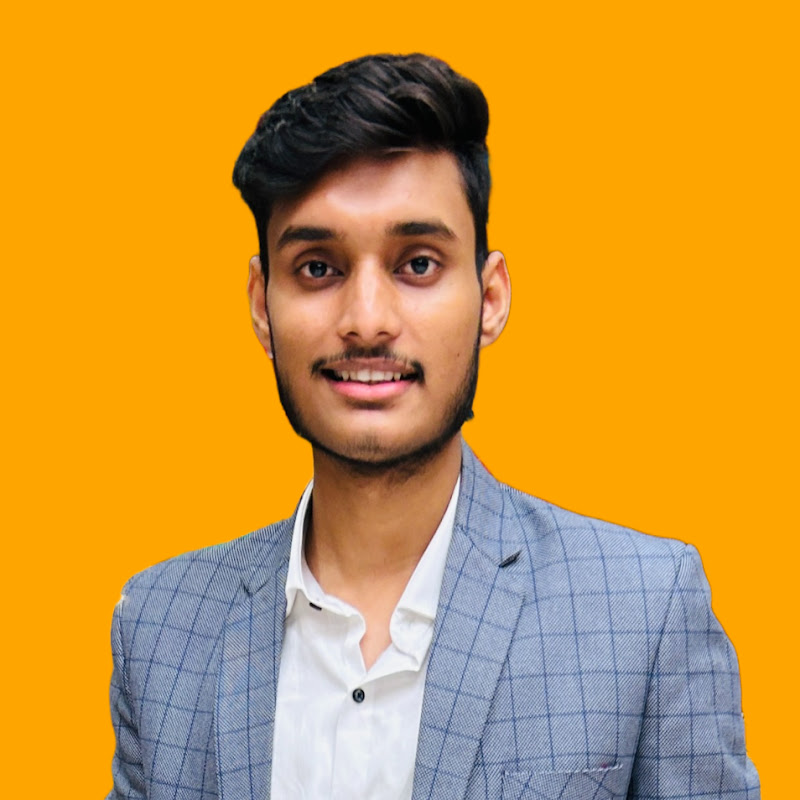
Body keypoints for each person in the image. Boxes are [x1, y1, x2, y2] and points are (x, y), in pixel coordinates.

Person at [108, 54, 759, 799]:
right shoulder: (159, 629)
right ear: (262, 305)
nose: (367, 321)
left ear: (490, 298)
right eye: (318, 268)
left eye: (417, 264)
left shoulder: (646, 611)